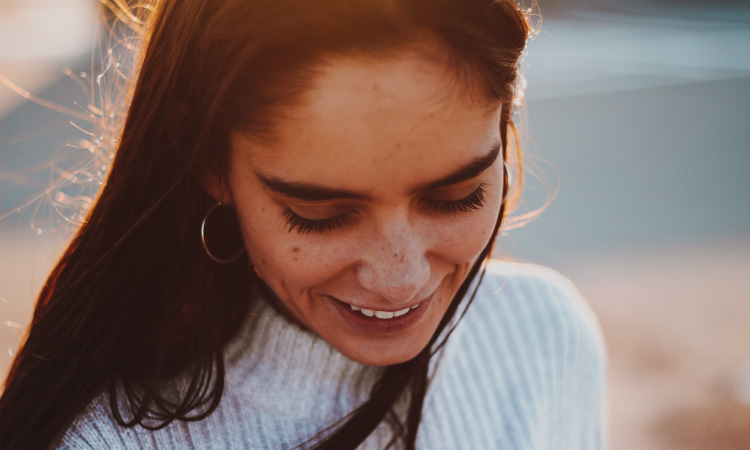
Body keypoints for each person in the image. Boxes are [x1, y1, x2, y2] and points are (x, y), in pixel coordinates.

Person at [0, 0, 608, 448]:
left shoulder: (545, 336)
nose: (400, 278)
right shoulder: (106, 440)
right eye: (323, 215)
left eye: (455, 196)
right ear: (208, 159)